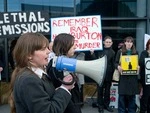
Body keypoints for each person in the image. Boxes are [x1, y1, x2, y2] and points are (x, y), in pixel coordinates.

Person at [8, 32, 75, 113]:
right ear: (29, 55)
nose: (48, 52)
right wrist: (64, 89)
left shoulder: (33, 76)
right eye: (43, 49)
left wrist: (58, 91)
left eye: (47, 48)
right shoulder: (29, 80)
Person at [47, 33, 82, 113]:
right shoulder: (58, 65)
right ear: (65, 46)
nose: (75, 47)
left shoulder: (62, 62)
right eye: (73, 44)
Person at [115, 36, 139, 113]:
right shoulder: (120, 52)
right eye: (127, 42)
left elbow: (138, 64)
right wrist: (118, 66)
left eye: (131, 42)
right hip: (123, 77)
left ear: (132, 43)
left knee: (132, 97)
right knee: (122, 96)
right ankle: (121, 111)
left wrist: (138, 67)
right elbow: (115, 63)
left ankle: (131, 111)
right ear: (125, 43)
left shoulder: (136, 52)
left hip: (132, 78)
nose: (129, 43)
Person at [97, 36, 115, 113]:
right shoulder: (99, 50)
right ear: (104, 42)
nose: (108, 43)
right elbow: (95, 60)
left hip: (108, 75)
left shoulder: (113, 52)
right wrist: (91, 53)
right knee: (100, 91)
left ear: (111, 43)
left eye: (109, 42)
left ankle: (106, 105)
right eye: (106, 42)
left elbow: (114, 64)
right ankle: (100, 106)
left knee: (107, 92)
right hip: (99, 74)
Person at [139, 38, 150, 113]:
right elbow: (141, 63)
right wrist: (149, 56)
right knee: (145, 97)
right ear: (148, 45)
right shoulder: (144, 53)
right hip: (146, 79)